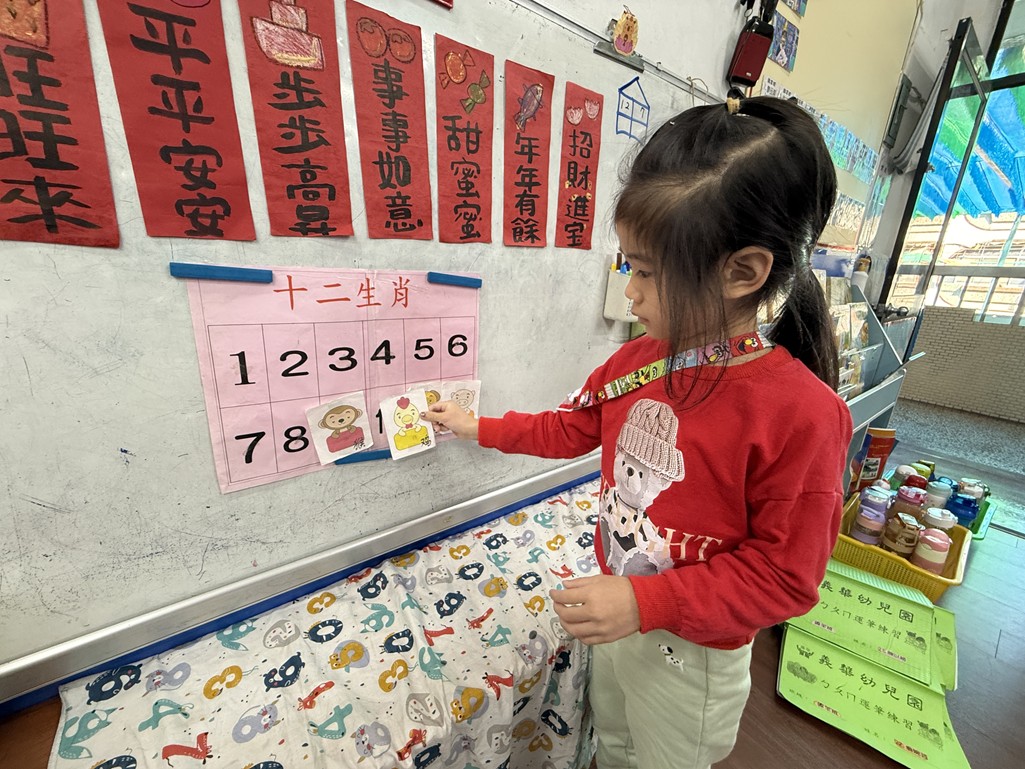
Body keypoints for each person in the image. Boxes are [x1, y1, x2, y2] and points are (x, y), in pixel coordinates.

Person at [423, 92, 853, 769]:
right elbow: (570, 427)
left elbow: (785, 577)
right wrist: (478, 426)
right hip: (622, 611)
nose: (630, 291)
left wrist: (645, 599)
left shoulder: (802, 415)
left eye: (646, 272)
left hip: (693, 654)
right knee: (614, 742)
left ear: (742, 272)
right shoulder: (636, 363)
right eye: (628, 266)